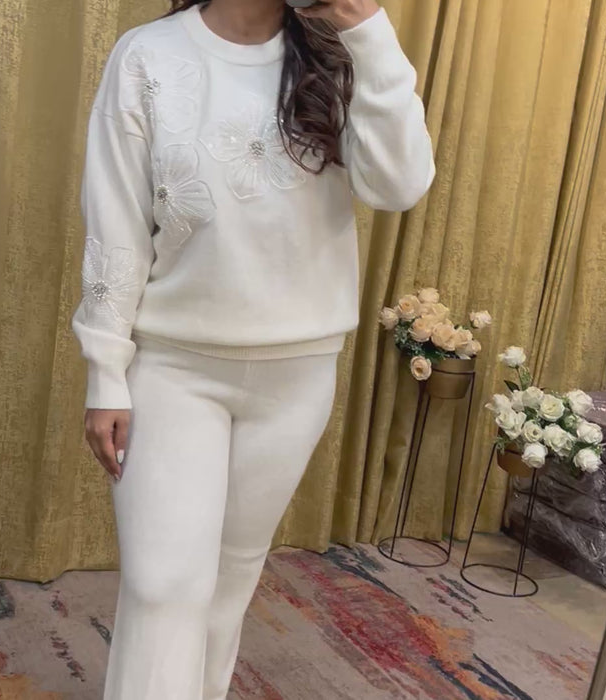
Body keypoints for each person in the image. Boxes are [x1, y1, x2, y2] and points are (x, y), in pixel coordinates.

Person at [72, 0, 434, 697]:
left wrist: (367, 28)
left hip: (297, 375)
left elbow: (399, 185)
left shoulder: (342, 57)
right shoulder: (147, 56)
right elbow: (114, 220)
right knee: (163, 586)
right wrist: (105, 371)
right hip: (173, 366)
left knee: (228, 584)